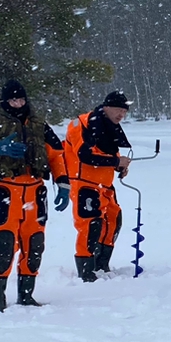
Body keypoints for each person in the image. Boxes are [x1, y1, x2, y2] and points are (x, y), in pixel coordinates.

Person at [0, 78, 69, 311]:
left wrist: (63, 183)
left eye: (21, 99)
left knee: (34, 245)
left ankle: (26, 296)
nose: (18, 103)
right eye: (13, 99)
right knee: (4, 245)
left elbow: (56, 155)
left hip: (34, 192)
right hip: (4, 191)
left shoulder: (39, 125)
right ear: (5, 101)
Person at [62, 90, 133, 281]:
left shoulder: (110, 127)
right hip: (84, 183)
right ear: (106, 107)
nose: (121, 115)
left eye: (125, 112)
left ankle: (102, 264)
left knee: (113, 221)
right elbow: (84, 155)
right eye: (119, 110)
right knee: (90, 225)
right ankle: (86, 270)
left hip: (105, 184)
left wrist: (119, 166)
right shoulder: (82, 124)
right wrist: (114, 162)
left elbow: (106, 154)